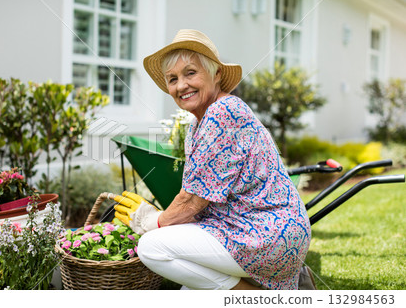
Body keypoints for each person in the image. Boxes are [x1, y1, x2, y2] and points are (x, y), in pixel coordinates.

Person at [114, 29, 313, 290]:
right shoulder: (199, 124)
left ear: (216, 74)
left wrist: (153, 222)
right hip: (246, 229)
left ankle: (257, 296)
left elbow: (194, 199)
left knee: (151, 247)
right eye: (172, 79)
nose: (181, 85)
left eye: (190, 72)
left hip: (266, 233)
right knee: (192, 290)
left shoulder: (224, 111)